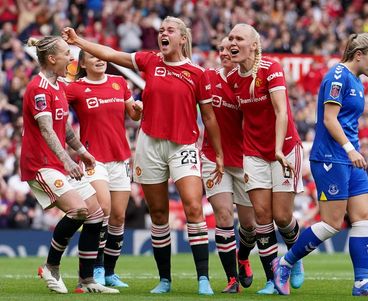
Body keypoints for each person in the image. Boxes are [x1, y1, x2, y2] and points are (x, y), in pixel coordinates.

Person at [62, 16, 224, 295]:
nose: (163, 33)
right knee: (158, 213)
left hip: (183, 146)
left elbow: (208, 117)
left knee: (194, 208)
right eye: (161, 30)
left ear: (182, 38)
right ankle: (165, 280)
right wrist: (78, 42)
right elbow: (111, 53)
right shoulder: (150, 61)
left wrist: (218, 153)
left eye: (169, 30)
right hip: (150, 144)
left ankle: (203, 278)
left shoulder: (198, 74)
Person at [272, 33, 368, 297]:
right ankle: (284, 263)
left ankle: (362, 283)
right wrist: (350, 150)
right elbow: (329, 119)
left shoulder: (357, 81)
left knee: (363, 218)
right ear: (358, 55)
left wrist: (353, 151)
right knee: (331, 223)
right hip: (331, 157)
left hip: (351, 157)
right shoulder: (337, 77)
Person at [20, 36, 118, 294]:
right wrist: (67, 159)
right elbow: (46, 129)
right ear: (52, 59)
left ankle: (85, 281)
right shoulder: (38, 88)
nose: (72, 58)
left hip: (58, 163)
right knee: (79, 211)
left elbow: (64, 129)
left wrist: (82, 152)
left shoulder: (59, 85)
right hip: (41, 165)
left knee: (96, 213)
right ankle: (51, 266)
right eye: (67, 53)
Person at [227, 23, 304, 295]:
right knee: (262, 217)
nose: (232, 42)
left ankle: (294, 258)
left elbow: (281, 112)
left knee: (282, 217)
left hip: (283, 150)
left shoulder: (271, 69)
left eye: (239, 38)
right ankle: (274, 279)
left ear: (254, 45)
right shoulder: (233, 78)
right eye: (231, 37)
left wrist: (279, 149)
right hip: (253, 153)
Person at [65, 50, 142, 288]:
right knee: (103, 211)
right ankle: (95, 269)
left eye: (101, 56)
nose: (99, 59)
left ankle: (109, 272)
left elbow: (133, 115)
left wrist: (137, 108)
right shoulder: (75, 88)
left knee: (118, 218)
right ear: (83, 64)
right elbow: (56, 109)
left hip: (120, 158)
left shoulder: (119, 82)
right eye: (93, 57)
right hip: (92, 160)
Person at [201, 37, 256, 293]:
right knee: (223, 217)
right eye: (220, 49)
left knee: (250, 226)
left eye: (228, 49)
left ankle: (243, 257)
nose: (224, 52)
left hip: (245, 159)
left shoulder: (249, 79)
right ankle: (231, 279)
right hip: (213, 157)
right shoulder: (207, 77)